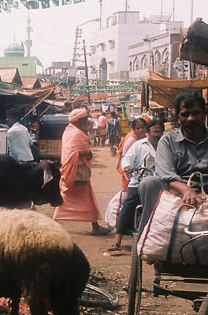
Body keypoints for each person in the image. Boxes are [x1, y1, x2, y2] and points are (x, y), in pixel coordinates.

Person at [137, 89, 208, 231]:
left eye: (195, 113)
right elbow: (166, 174)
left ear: (204, 113)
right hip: (176, 191)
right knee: (148, 183)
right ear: (178, 117)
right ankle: (146, 234)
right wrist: (186, 190)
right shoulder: (168, 140)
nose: (190, 118)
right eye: (185, 114)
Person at [109, 120, 164, 252]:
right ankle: (117, 240)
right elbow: (127, 158)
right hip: (138, 182)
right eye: (154, 132)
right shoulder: (138, 145)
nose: (156, 135)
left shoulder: (166, 145)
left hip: (159, 184)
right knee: (128, 207)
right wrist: (127, 166)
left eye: (159, 132)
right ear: (148, 133)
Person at [53, 108, 110, 235]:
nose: (86, 121)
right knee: (81, 198)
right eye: (84, 119)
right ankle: (95, 226)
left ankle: (54, 222)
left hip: (75, 171)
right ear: (78, 120)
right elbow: (72, 153)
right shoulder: (75, 133)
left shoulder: (71, 131)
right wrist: (86, 153)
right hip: (76, 172)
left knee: (67, 197)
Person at [116, 117, 148, 188]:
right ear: (134, 130)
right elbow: (125, 158)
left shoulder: (149, 139)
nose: (141, 130)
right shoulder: (131, 141)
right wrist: (130, 178)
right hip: (131, 175)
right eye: (138, 128)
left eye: (143, 127)